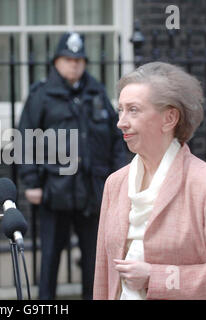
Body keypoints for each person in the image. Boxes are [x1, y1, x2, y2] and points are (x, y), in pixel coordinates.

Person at [93, 61, 206, 300]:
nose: (121, 122)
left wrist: (155, 277)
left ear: (169, 118)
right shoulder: (115, 183)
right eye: (120, 110)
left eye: (133, 110)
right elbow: (103, 278)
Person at [18, 32, 127, 300]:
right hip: (55, 189)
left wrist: (118, 179)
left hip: (93, 191)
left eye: (79, 60)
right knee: (51, 257)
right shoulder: (41, 95)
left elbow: (116, 140)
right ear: (56, 62)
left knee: (95, 257)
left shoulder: (97, 92)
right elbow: (25, 139)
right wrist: (31, 182)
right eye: (68, 59)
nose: (74, 65)